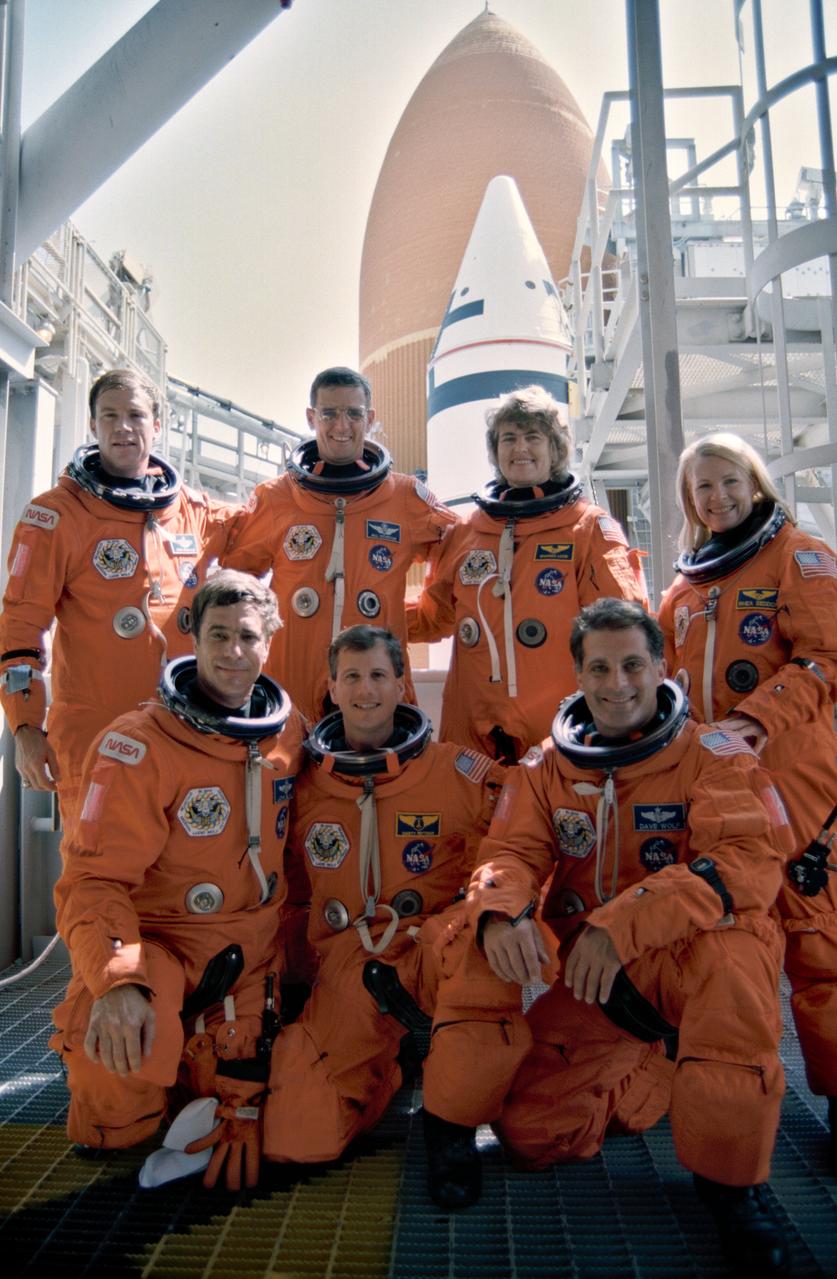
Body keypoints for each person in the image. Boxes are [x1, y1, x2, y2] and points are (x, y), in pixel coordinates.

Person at [425, 599, 792, 1275]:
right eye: (599, 666)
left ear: (659, 666)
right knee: (534, 1132)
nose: (616, 681)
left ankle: (734, 1188)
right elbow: (508, 853)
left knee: (735, 958)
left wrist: (618, 924)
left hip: (684, 954)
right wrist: (502, 909)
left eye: (631, 664)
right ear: (578, 675)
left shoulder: (714, 755)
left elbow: (745, 863)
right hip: (598, 978)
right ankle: (655, 1060)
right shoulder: (545, 766)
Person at [50, 571, 305, 1190]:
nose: (232, 652)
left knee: (287, 1121)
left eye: (247, 636)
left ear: (269, 640)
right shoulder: (136, 744)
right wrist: (115, 982)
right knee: (113, 1111)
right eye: (217, 635)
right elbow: (93, 882)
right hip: (156, 948)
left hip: (248, 958)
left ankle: (197, 1066)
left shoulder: (287, 731)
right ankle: (139, 1066)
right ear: (191, 636)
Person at [261, 624, 511, 1165]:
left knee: (485, 963)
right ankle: (386, 1066)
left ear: (402, 685)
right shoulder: (303, 785)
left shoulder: (458, 773)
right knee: (296, 1142)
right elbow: (278, 886)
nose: (365, 689)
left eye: (378, 675)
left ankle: (452, 1129)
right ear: (331, 687)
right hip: (349, 967)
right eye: (351, 676)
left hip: (433, 946)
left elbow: (518, 847)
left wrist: (492, 913)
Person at [658, 431, 837, 1153]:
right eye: (701, 487)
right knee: (719, 936)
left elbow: (827, 655)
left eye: (727, 480)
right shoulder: (684, 584)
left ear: (755, 482)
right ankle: (714, 1088)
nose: (716, 496)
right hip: (713, 785)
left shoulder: (800, 556)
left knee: (816, 945)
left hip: (791, 782)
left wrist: (753, 720)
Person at [0, 367, 237, 835]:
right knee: (95, 880)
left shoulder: (196, 512)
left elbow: (279, 528)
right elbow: (19, 630)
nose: (123, 427)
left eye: (135, 414)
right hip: (95, 736)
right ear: (92, 425)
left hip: (186, 732)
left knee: (179, 881)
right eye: (109, 415)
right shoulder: (56, 516)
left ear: (158, 425)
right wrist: (25, 728)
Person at [407, 385, 647, 763]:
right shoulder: (466, 533)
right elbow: (433, 617)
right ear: (495, 451)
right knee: (470, 820)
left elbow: (624, 627)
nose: (520, 448)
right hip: (473, 723)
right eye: (509, 439)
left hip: (561, 723)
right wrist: (370, 610)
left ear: (555, 449)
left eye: (533, 437)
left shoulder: (586, 529)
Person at [223, 366, 456, 721]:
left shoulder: (407, 498)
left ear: (370, 418)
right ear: (311, 417)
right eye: (329, 413)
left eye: (353, 413)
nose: (341, 425)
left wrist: (408, 619)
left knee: (379, 773)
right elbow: (234, 585)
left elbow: (461, 553)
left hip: (375, 681)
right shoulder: (276, 499)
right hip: (292, 678)